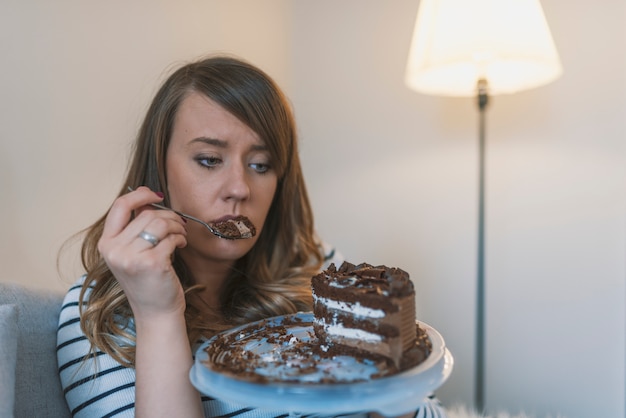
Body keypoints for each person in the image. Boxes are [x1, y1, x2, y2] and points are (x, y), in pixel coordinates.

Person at [56, 55, 446, 418]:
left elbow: (428, 411)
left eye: (261, 165)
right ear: (159, 170)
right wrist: (158, 315)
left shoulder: (319, 272)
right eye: (209, 160)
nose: (240, 188)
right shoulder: (99, 310)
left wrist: (385, 380)